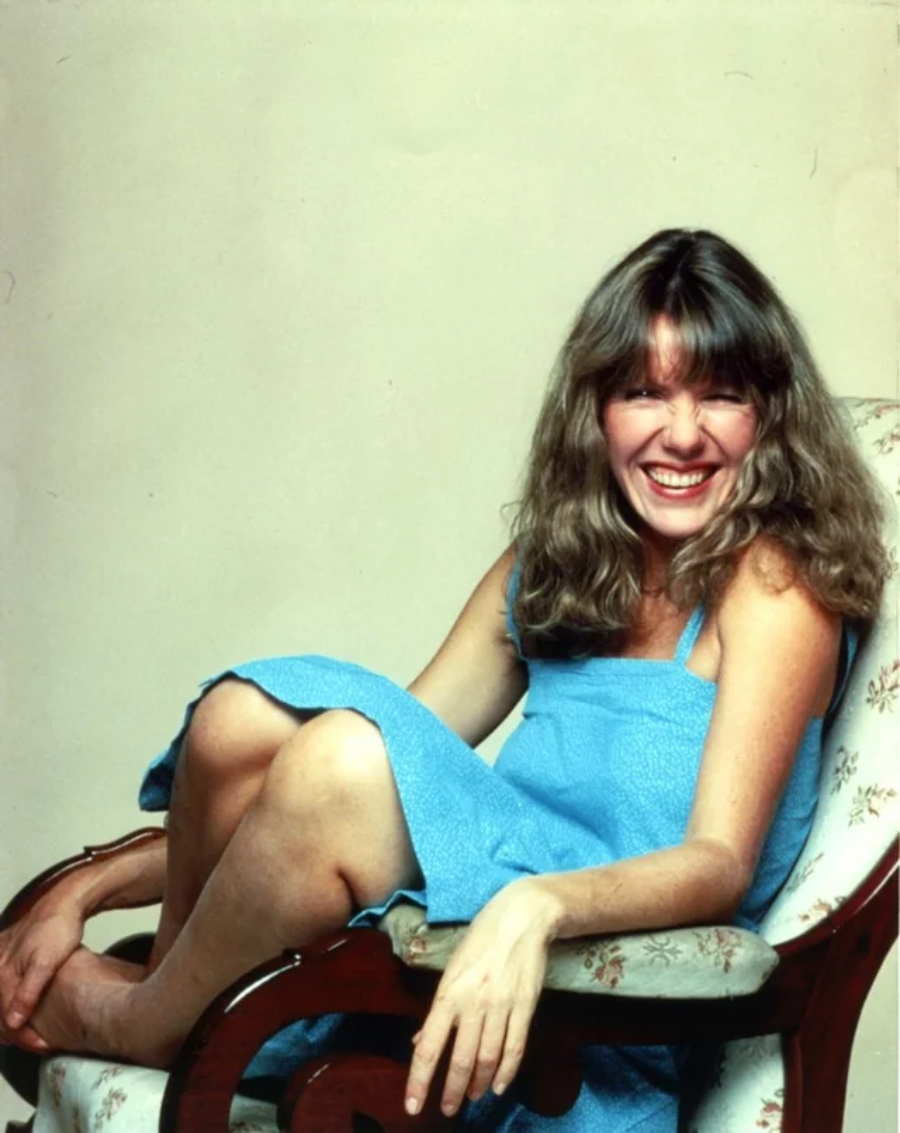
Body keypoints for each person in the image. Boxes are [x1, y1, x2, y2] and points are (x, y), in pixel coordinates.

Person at [0, 228, 888, 1131]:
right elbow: (362, 783)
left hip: (578, 1000)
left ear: (770, 416)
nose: (683, 433)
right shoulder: (560, 563)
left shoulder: (775, 585)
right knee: (242, 719)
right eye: (643, 393)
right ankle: (172, 1001)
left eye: (722, 396)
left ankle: (148, 1024)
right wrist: (96, 883)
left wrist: (534, 907)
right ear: (596, 411)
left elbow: (718, 862)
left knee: (338, 755)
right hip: (458, 925)